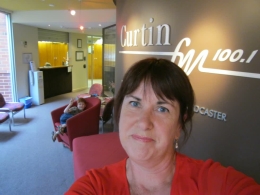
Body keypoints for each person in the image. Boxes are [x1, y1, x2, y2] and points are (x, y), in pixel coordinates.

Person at [65, 58, 260, 194]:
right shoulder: (95, 186)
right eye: (134, 103)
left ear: (179, 125)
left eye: (162, 109)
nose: (143, 122)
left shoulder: (215, 183)